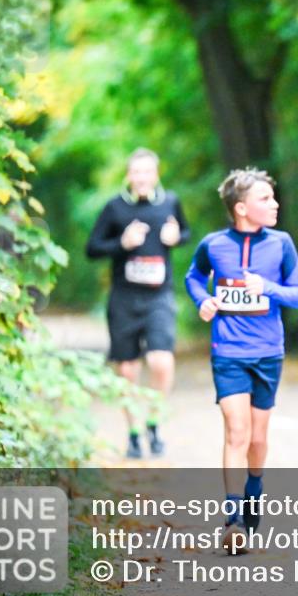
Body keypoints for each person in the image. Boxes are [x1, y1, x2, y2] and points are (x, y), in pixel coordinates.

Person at [185, 168, 298, 552]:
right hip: (228, 352)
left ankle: (254, 488)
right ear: (241, 208)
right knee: (236, 432)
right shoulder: (213, 244)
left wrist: (267, 287)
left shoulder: (282, 243)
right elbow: (193, 277)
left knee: (257, 438)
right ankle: (233, 519)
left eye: (273, 197)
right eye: (265, 199)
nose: (275, 204)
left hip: (268, 351)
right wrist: (202, 300)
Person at [86, 147, 191, 459]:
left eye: (147, 172)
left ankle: (154, 423)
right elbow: (92, 248)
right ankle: (133, 433)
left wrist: (177, 237)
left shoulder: (170, 202)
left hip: (159, 295)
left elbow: (185, 232)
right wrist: (122, 243)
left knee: (161, 361)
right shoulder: (115, 208)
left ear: (156, 175)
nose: (142, 178)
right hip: (124, 298)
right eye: (136, 172)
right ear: (128, 176)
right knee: (127, 369)